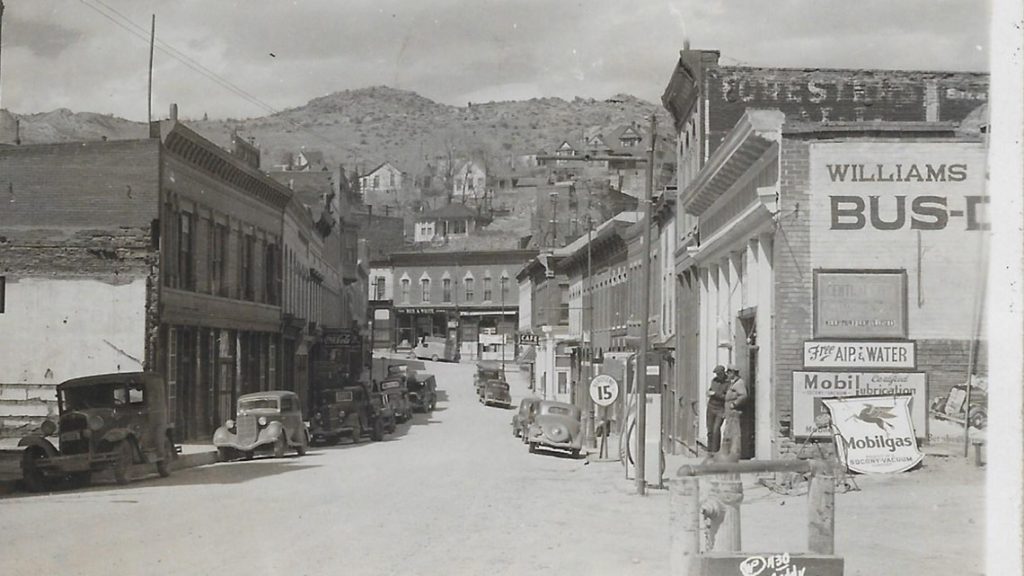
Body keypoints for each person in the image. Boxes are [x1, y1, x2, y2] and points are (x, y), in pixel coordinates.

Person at [706, 365, 731, 454]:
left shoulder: (728, 383)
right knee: (710, 430)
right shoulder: (714, 381)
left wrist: (715, 394)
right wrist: (709, 392)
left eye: (719, 374)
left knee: (716, 430)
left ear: (723, 373)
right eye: (716, 374)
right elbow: (710, 390)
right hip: (711, 407)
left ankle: (715, 451)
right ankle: (709, 451)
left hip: (720, 408)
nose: (717, 375)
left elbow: (727, 397)